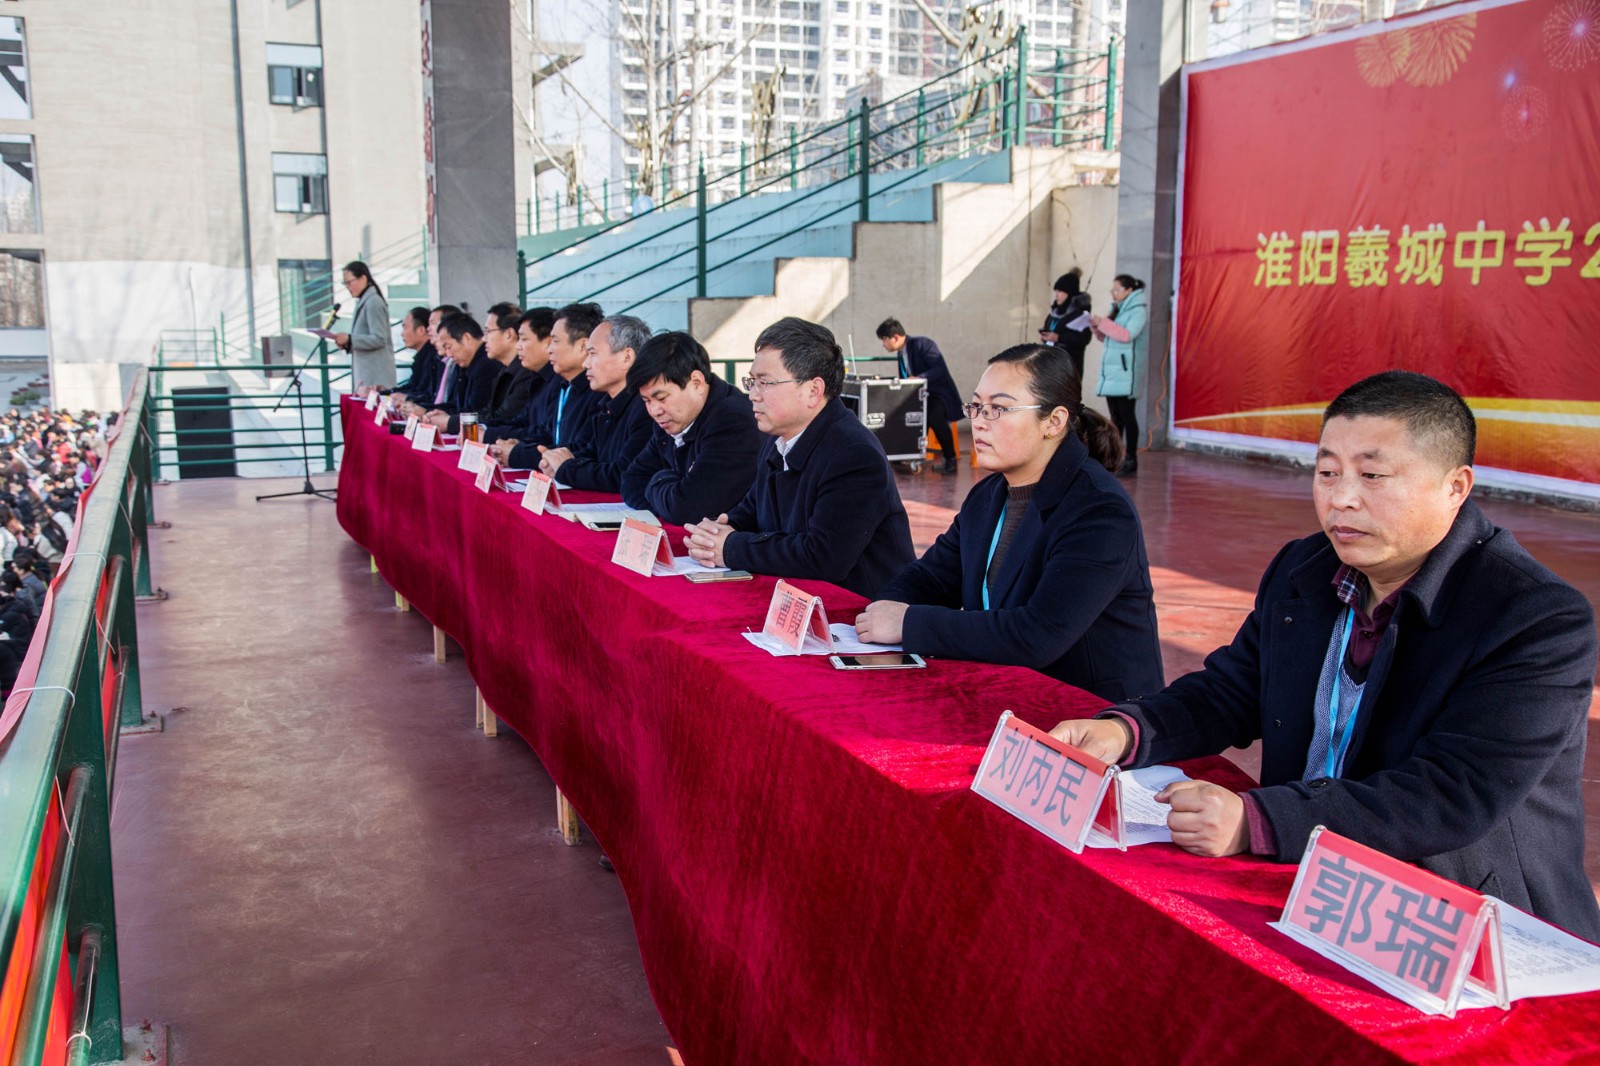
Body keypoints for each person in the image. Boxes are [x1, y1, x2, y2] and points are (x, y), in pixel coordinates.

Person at [1048, 371, 1600, 939]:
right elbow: (1231, 691)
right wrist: (1126, 731)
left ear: (1455, 486)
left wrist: (1258, 820)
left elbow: (1450, 794)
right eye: (1327, 472)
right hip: (1312, 883)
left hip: (1464, 920)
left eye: (1373, 475)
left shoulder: (1534, 618)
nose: (1341, 498)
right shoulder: (1304, 569)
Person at [855, 343, 1162, 702]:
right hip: (1010, 696)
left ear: (1054, 421)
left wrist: (908, 624)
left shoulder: (1099, 510)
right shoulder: (988, 496)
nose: (980, 421)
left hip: (1090, 715)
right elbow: (932, 576)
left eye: (999, 408)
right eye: (977, 406)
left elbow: (1038, 633)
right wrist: (887, 607)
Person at [684, 317, 915, 599]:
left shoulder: (854, 454)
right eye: (751, 382)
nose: (752, 395)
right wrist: (724, 528)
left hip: (858, 614)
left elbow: (823, 557)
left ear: (813, 391)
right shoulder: (778, 440)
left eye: (765, 383)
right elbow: (753, 508)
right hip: (800, 602)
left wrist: (731, 548)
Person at [620, 332, 763, 525]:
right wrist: (673, 489)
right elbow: (631, 481)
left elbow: (689, 509)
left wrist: (659, 479)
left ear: (696, 382)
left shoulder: (733, 421)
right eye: (646, 401)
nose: (654, 410)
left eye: (662, 398)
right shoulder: (671, 420)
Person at [539, 315, 654, 492]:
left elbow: (624, 474)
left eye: (592, 353)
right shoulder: (606, 405)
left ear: (626, 357)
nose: (585, 364)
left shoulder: (648, 408)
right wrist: (555, 461)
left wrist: (567, 468)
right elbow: (588, 452)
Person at [491, 303, 603, 470]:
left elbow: (580, 450)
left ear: (582, 347)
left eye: (555, 342)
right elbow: (549, 435)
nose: (549, 350)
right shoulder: (565, 385)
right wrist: (520, 445)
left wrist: (519, 454)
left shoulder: (598, 392)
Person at [876, 318, 964, 474]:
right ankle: (904, 454)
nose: (883, 344)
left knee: (935, 416)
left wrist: (920, 378)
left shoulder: (923, 343)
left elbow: (939, 369)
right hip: (919, 396)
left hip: (938, 394)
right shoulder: (901, 353)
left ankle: (950, 459)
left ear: (895, 337)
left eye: (884, 339)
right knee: (900, 415)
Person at [1091, 274, 1146, 476]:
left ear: (1129, 290)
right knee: (1115, 418)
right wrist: (1096, 326)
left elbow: (1127, 334)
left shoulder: (1137, 311)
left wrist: (1103, 323)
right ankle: (1115, 456)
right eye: (1112, 290)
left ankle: (1131, 458)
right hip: (1112, 375)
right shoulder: (1118, 310)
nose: (1113, 294)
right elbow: (1107, 337)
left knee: (1127, 417)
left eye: (1117, 289)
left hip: (1125, 373)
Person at [407, 313, 499, 430]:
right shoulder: (466, 364)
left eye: (449, 347)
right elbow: (459, 406)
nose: (448, 354)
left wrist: (448, 421)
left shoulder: (487, 366)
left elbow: (478, 413)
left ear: (466, 338)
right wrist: (430, 411)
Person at [484, 307, 557, 443]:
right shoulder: (538, 377)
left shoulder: (559, 382)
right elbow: (522, 421)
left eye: (523, 339)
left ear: (548, 342)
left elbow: (547, 434)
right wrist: (483, 430)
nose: (518, 346)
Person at [332, 260, 395, 390]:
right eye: (345, 283)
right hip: (367, 375)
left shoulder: (373, 302)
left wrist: (350, 339)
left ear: (363, 278)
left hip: (375, 377)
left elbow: (379, 338)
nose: (348, 287)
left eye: (349, 282)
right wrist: (348, 343)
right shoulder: (366, 301)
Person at [1040, 269, 1092, 384]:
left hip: (1069, 367)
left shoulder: (1080, 315)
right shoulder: (1054, 312)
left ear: (1069, 293)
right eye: (1056, 291)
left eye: (1060, 291)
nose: (1056, 295)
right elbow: (1050, 329)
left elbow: (1083, 338)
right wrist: (1045, 336)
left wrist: (1059, 338)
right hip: (1050, 365)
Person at [390, 306, 437, 398]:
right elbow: (413, 386)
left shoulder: (434, 359)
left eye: (405, 327)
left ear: (421, 330)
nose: (402, 334)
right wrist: (387, 392)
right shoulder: (423, 357)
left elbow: (425, 392)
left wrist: (406, 397)